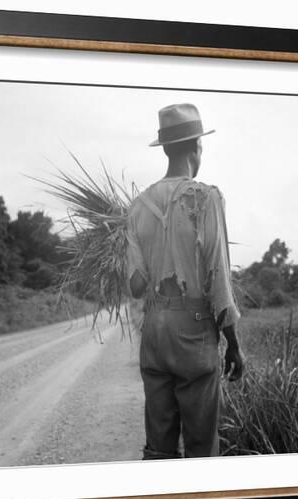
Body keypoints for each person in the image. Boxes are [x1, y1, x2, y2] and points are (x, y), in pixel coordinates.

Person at [126, 103, 245, 459]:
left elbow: (135, 286)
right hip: (193, 336)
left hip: (154, 332)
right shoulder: (206, 197)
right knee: (200, 447)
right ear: (198, 146)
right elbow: (219, 278)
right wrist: (234, 345)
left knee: (159, 447)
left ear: (164, 148)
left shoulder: (137, 206)